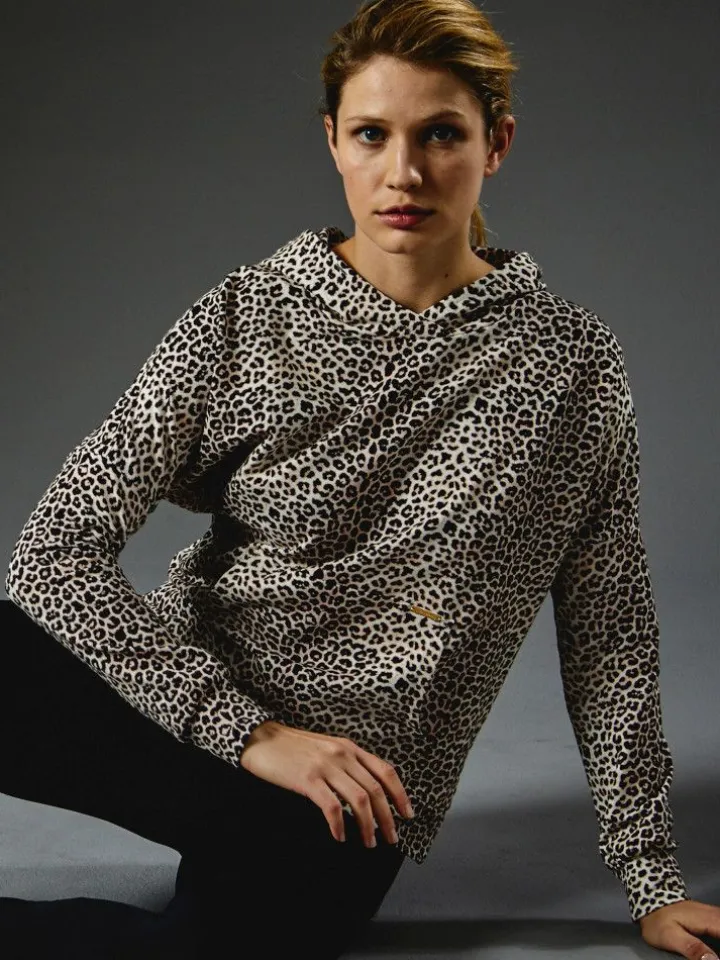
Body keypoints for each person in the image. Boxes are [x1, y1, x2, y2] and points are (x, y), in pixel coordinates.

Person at [3, 0, 719, 958]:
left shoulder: (570, 367)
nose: (404, 173)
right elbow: (53, 553)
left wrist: (651, 878)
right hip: (183, 712)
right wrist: (251, 733)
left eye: (442, 135)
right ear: (333, 142)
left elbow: (610, 634)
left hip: (351, 798)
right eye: (373, 134)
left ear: (497, 143)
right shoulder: (246, 317)